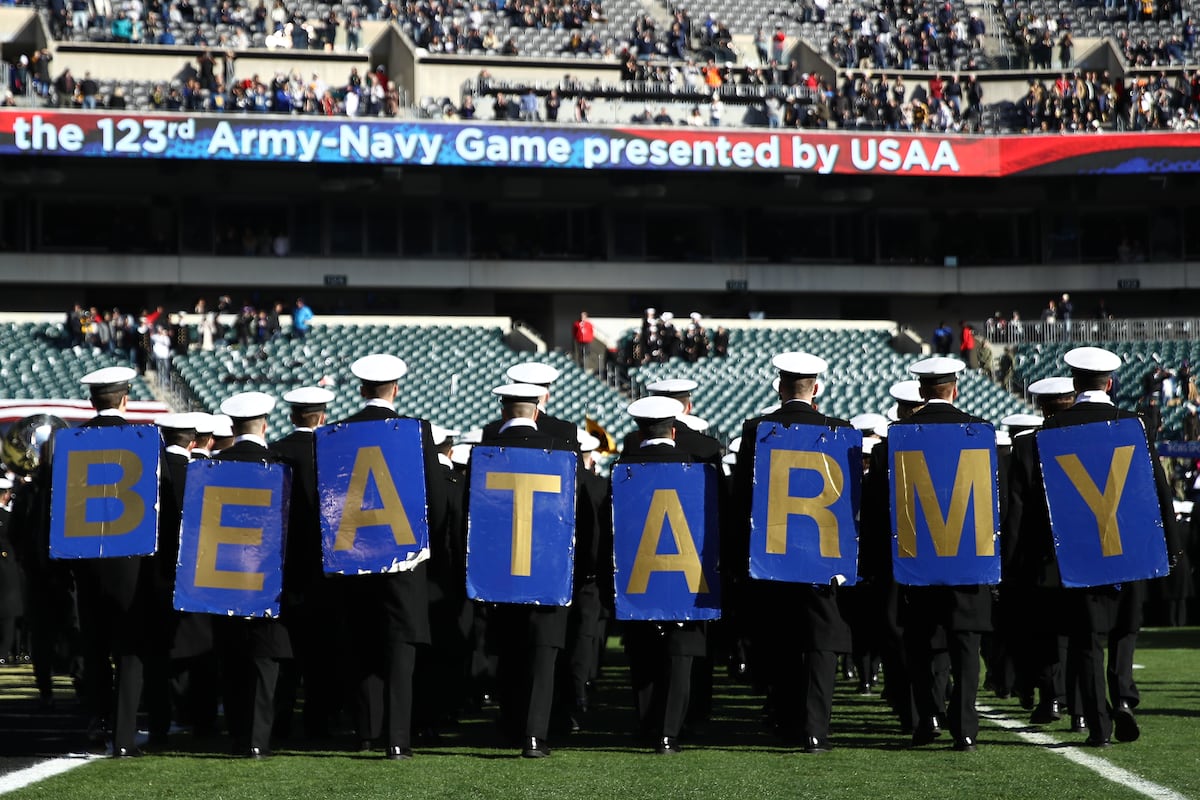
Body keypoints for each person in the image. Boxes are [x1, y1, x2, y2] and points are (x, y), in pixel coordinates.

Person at [732, 351, 853, 754]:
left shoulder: (758, 429)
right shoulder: (841, 430)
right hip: (825, 553)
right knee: (819, 643)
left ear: (780, 387)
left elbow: (743, 500)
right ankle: (816, 730)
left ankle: (786, 721)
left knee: (781, 639)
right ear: (816, 388)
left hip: (774, 549)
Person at [335, 354, 446, 760]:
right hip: (405, 556)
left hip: (353, 552)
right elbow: (435, 496)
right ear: (395, 389)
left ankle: (366, 731)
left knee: (362, 641)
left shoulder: (336, 433)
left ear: (362, 389)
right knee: (400, 647)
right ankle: (397, 738)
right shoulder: (417, 432)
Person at [897, 357, 993, 752]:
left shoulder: (899, 434)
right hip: (969, 560)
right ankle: (966, 727)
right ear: (956, 388)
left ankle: (929, 717)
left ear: (921, 392)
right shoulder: (980, 431)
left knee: (923, 646)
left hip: (917, 559)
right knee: (966, 649)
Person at [613, 395, 711, 755]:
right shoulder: (700, 467)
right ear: (674, 429)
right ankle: (669, 732)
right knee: (679, 654)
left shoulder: (622, 470)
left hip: (638, 574)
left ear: (639, 434)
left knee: (643, 654)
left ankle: (647, 725)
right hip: (688, 573)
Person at [65, 366, 151, 757]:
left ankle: (98, 723)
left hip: (83, 561)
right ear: (125, 398)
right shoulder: (145, 440)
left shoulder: (67, 443)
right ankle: (124, 736)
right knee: (131, 649)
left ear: (91, 401)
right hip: (131, 563)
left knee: (96, 646)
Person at [212, 391, 292, 758]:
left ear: (232, 425)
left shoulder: (210, 466)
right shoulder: (281, 464)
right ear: (264, 423)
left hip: (222, 574)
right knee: (263, 662)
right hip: (269, 576)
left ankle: (236, 733)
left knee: (231, 658)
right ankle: (258, 738)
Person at [270, 387, 339, 740]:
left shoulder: (275, 452)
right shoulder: (337, 451)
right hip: (328, 568)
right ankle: (318, 721)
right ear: (322, 417)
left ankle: (280, 719)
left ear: (293, 416)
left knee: (284, 652)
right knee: (322, 654)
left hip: (282, 566)